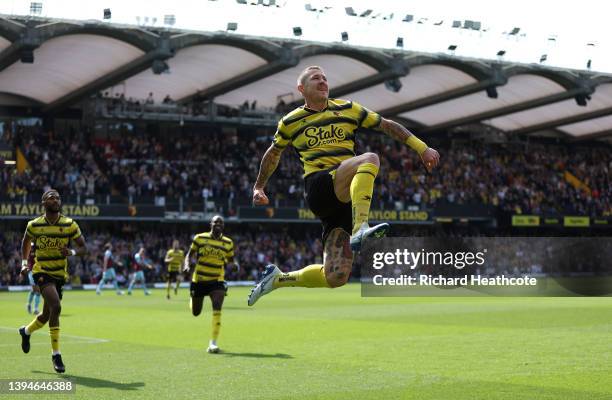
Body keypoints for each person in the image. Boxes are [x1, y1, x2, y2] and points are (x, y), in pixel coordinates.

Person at [248, 65, 440, 306]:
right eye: (316, 78)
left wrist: (422, 147)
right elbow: (273, 153)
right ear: (301, 88)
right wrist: (259, 186)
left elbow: (386, 124)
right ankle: (361, 226)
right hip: (319, 187)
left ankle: (277, 279)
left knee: (336, 276)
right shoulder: (290, 121)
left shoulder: (348, 108)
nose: (323, 81)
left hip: (343, 198)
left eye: (325, 78)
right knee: (370, 158)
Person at [18, 189, 88, 373]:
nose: (55, 200)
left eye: (57, 198)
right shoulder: (34, 225)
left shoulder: (69, 224)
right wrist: (24, 264)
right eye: (51, 198)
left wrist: (71, 252)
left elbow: (83, 247)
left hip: (59, 274)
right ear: (44, 203)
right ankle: (56, 355)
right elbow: (25, 242)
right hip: (41, 271)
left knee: (47, 315)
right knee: (56, 307)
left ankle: (25, 331)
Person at [183, 215, 238, 354]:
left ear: (223, 226)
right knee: (196, 312)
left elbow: (231, 260)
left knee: (218, 306)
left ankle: (213, 343)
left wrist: (234, 265)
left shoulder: (228, 243)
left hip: (217, 280)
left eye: (220, 222)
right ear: (210, 224)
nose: (218, 224)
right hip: (199, 280)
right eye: (215, 222)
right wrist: (187, 264)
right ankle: (192, 298)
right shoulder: (199, 238)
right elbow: (189, 255)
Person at [25, 243, 41, 314]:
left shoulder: (31, 252)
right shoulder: (31, 253)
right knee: (37, 291)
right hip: (33, 272)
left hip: (35, 272)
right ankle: (36, 309)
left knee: (34, 290)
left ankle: (28, 304)